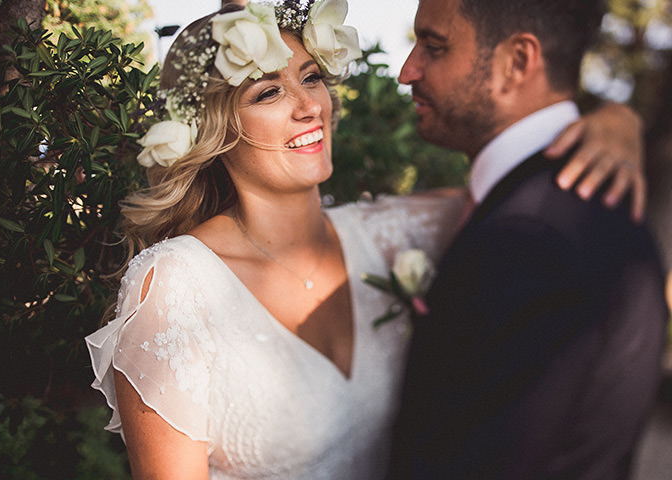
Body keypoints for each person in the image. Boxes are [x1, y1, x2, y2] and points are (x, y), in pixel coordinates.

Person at [85, 1, 649, 478]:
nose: (309, 106)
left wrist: (615, 123)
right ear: (213, 129)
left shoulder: (393, 234)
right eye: (267, 93)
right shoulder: (175, 286)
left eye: (311, 77)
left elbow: (520, 186)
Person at [388, 0, 669, 479]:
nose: (407, 70)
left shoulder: (526, 241)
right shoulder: (602, 209)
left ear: (516, 63)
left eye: (434, 47)